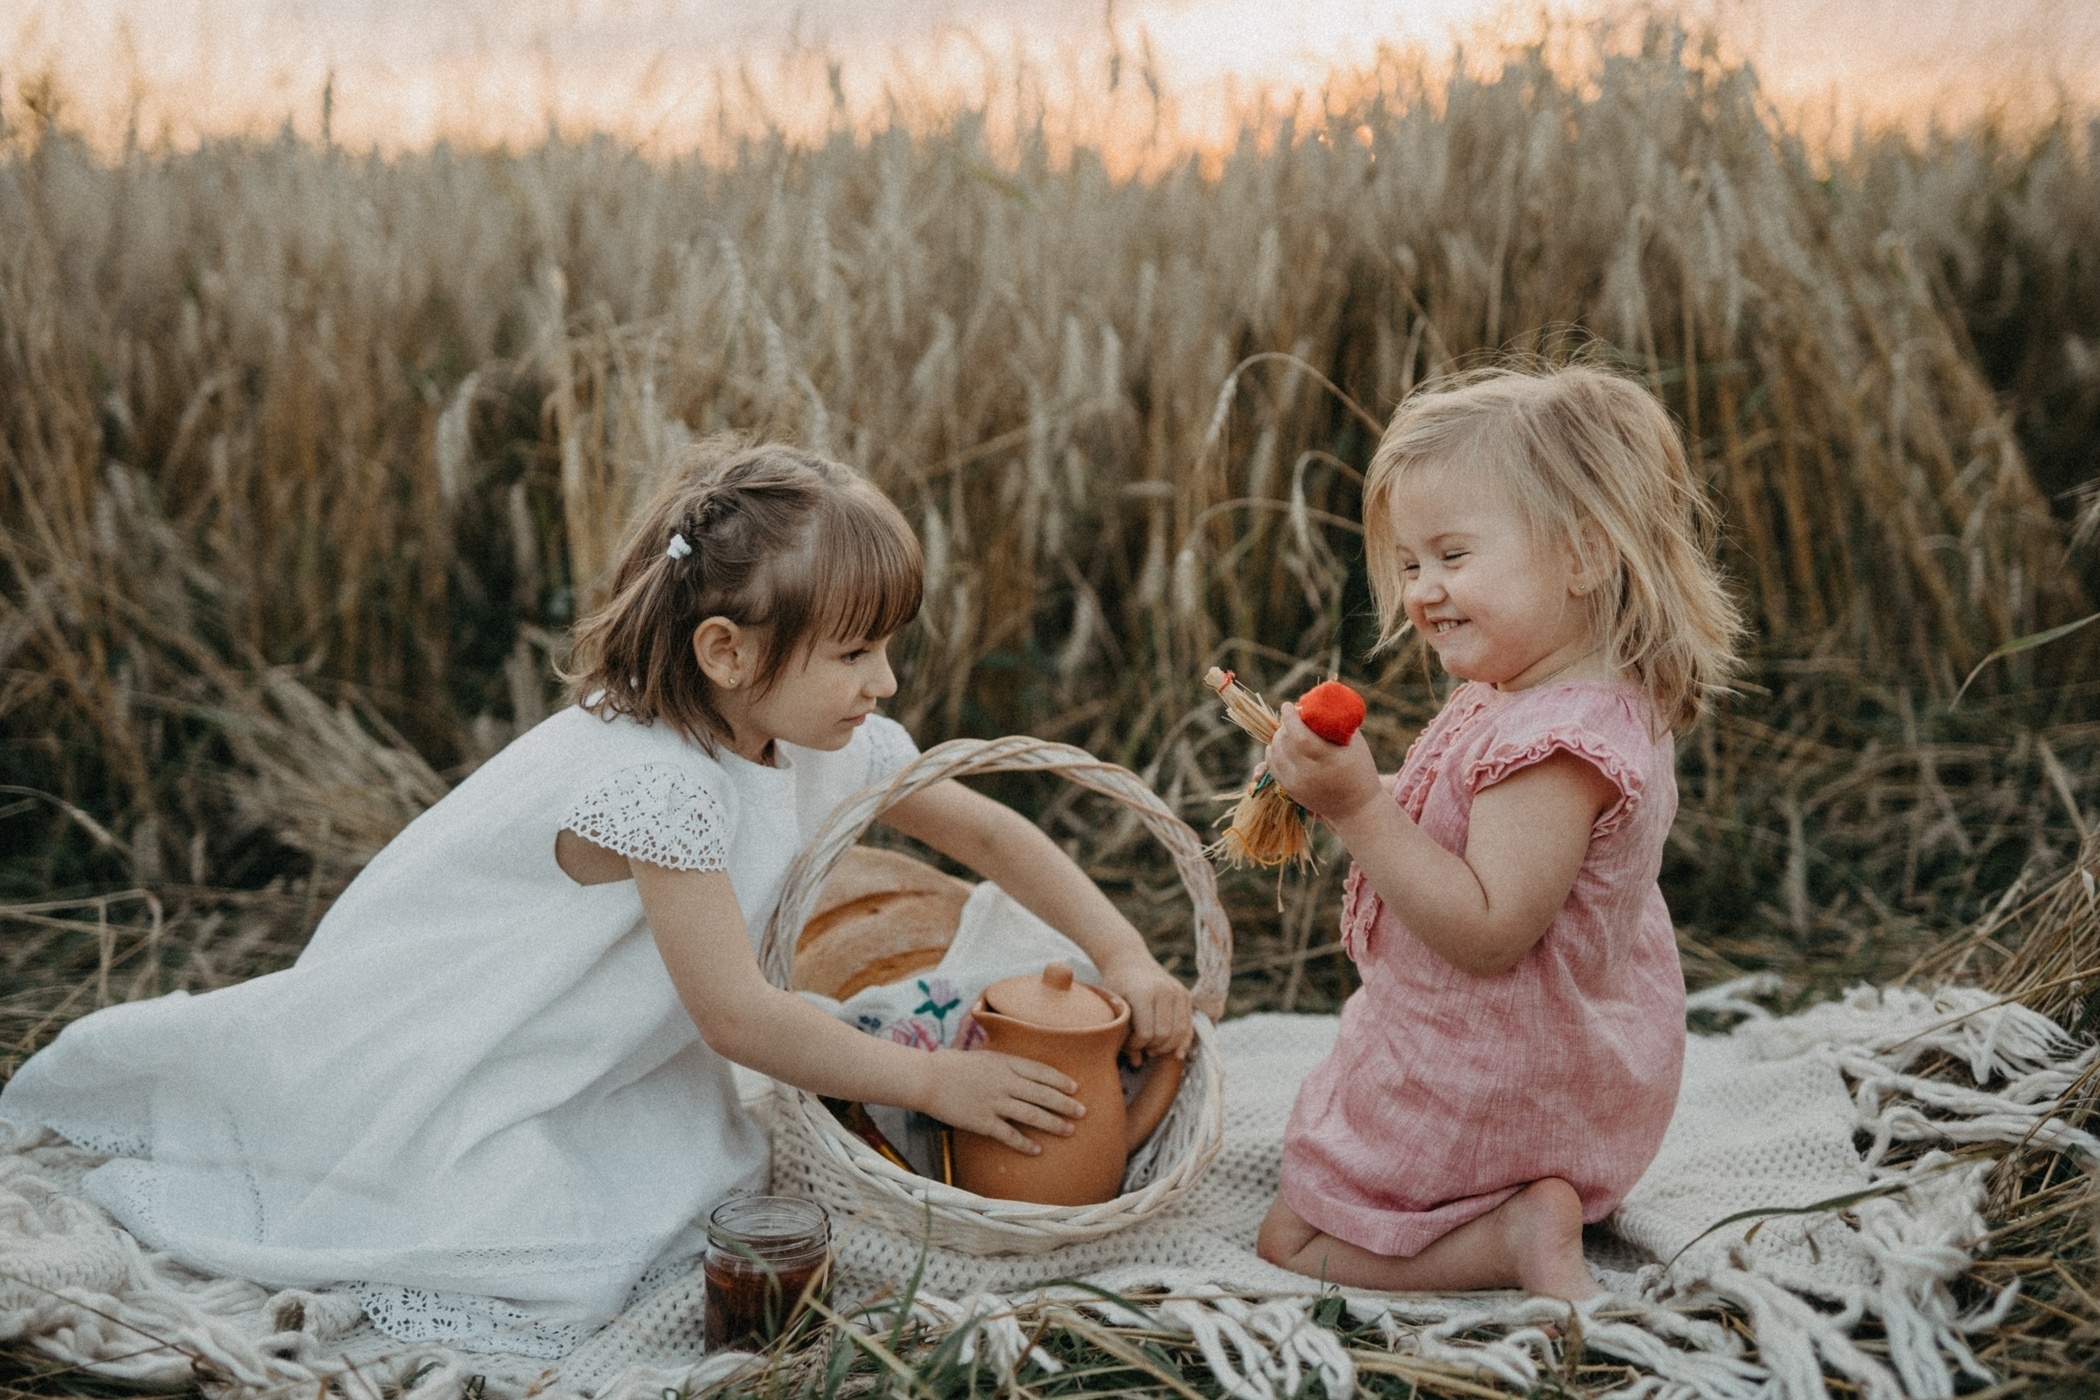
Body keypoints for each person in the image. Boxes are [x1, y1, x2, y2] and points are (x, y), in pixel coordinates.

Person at [1, 441, 1193, 1356]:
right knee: (548, 1250)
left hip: (604, 1038)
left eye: (889, 646)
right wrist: (937, 1078)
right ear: (727, 653)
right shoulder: (658, 784)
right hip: (471, 1036)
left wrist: (1128, 955)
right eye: (854, 652)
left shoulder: (822, 731)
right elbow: (736, 1018)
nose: (885, 683)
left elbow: (981, 820)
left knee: (683, 1186)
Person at [1253, 365, 1741, 1299]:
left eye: (1454, 556)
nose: (1425, 590)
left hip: (1501, 1074)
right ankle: (1515, 1202)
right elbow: (1467, 821)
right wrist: (1358, 788)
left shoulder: (1553, 745)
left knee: (1289, 1235)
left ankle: (1505, 1235)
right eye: (1410, 564)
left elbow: (1486, 930)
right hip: (1556, 1057)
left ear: (1584, 556)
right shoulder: (1559, 698)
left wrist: (1358, 809)